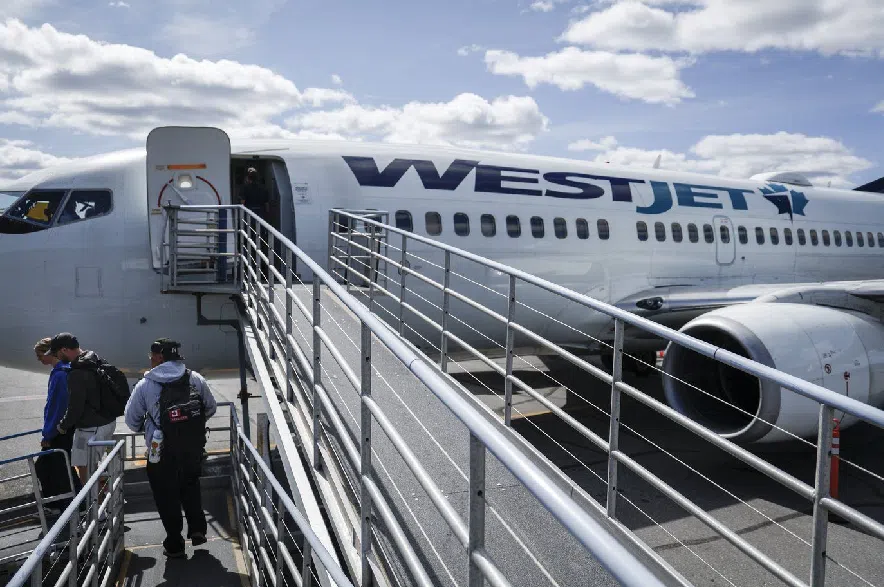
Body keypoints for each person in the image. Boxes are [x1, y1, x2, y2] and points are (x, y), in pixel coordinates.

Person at [124, 338, 217, 558]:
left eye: (152, 356)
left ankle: (175, 544)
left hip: (161, 452)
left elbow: (131, 421)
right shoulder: (194, 378)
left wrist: (148, 424)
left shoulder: (146, 385)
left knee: (166, 497)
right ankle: (197, 530)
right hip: (193, 448)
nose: (150, 360)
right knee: (191, 487)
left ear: (159, 357)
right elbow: (210, 408)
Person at [48, 333, 118, 485]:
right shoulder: (95, 359)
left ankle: (96, 505)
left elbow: (75, 407)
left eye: (56, 353)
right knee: (93, 466)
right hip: (107, 422)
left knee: (86, 469)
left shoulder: (77, 372)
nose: (56, 357)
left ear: (65, 350)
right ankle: (105, 500)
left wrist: (62, 426)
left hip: (90, 428)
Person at [33, 338, 78, 511]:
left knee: (54, 469)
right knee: (55, 468)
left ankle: (68, 505)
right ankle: (57, 505)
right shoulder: (64, 372)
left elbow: (56, 408)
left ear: (48, 352)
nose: (39, 360)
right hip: (62, 429)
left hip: (58, 431)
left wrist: (48, 434)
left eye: (39, 356)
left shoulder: (60, 375)